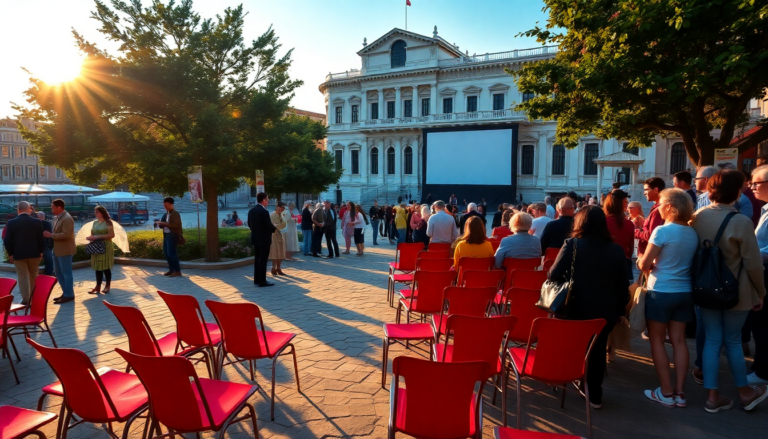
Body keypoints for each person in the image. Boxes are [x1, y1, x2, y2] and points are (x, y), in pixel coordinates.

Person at [690, 170, 768, 412]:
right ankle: (744, 392)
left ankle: (713, 398)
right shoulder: (741, 221)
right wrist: (761, 292)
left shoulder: (698, 216)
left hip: (706, 290)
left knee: (712, 341)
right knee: (733, 342)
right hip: (738, 291)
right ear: (737, 192)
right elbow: (753, 264)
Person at [548, 206, 630, 409]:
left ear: (580, 222)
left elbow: (553, 276)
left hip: (574, 309)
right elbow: (622, 285)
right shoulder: (617, 249)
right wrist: (621, 311)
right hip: (605, 312)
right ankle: (595, 395)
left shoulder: (572, 244)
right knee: (598, 349)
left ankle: (568, 377)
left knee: (574, 344)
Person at [637, 188, 698, 408]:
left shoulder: (662, 231)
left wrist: (642, 259)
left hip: (661, 290)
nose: (658, 208)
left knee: (656, 339)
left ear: (670, 207)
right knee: (679, 341)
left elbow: (645, 264)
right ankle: (680, 393)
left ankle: (666, 390)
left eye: (660, 204)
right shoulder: (692, 232)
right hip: (685, 291)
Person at [2, 201, 44, 305]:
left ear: (18, 210)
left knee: (22, 276)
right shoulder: (37, 222)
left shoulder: (11, 222)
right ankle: (34, 298)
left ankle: (26, 299)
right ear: (29, 209)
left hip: (19, 254)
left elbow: (7, 240)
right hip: (34, 253)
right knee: (34, 274)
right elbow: (41, 239)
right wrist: (41, 251)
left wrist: (11, 253)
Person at [749, 164, 768, 387]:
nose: (752, 187)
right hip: (760, 271)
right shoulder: (764, 209)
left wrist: (749, 256)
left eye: (757, 183)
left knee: (763, 325)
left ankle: (762, 371)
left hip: (764, 273)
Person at [46, 199, 76, 304]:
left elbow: (66, 234)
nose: (51, 209)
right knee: (58, 273)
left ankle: (69, 294)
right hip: (57, 250)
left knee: (66, 273)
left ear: (59, 207)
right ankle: (66, 292)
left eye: (53, 207)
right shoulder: (58, 218)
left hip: (65, 250)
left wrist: (51, 235)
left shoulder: (67, 218)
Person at [604, 190, 635, 280]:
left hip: (604, 262)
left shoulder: (602, 221)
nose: (627, 204)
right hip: (623, 261)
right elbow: (630, 248)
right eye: (626, 202)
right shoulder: (629, 224)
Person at [248, 193, 277, 287]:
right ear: (263, 200)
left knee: (257, 259)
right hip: (264, 239)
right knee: (263, 260)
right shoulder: (264, 212)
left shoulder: (251, 210)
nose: (268, 201)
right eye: (267, 199)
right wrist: (274, 228)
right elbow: (268, 225)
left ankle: (257, 279)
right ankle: (262, 281)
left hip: (255, 238)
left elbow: (249, 224)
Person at [86, 206, 116, 294]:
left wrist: (98, 237)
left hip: (105, 245)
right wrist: (91, 237)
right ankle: (97, 286)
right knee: (97, 267)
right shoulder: (95, 223)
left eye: (97, 212)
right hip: (96, 246)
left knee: (105, 266)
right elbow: (92, 234)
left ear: (102, 213)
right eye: (95, 212)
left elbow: (112, 235)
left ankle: (107, 285)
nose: (95, 214)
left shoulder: (108, 223)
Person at [635, 177, 665, 258]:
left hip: (650, 256)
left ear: (656, 190)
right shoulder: (657, 207)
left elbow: (651, 235)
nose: (644, 193)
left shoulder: (658, 210)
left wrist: (636, 232)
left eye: (646, 189)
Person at [157, 197, 183, 278]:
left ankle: (177, 271)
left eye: (167, 205)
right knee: (166, 253)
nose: (165, 207)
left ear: (171, 204)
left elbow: (175, 225)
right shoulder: (166, 213)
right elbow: (164, 223)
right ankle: (171, 269)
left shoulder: (175, 213)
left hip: (173, 235)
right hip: (166, 235)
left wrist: (164, 224)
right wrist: (160, 224)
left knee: (172, 253)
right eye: (164, 205)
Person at [269, 202, 287, 276]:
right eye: (281, 208)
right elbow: (272, 224)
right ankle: (273, 268)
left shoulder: (282, 215)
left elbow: (284, 224)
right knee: (274, 252)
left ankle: (279, 268)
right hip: (273, 235)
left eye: (283, 208)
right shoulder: (272, 215)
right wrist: (277, 226)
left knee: (280, 252)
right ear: (277, 207)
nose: (282, 209)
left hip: (279, 234)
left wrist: (278, 225)